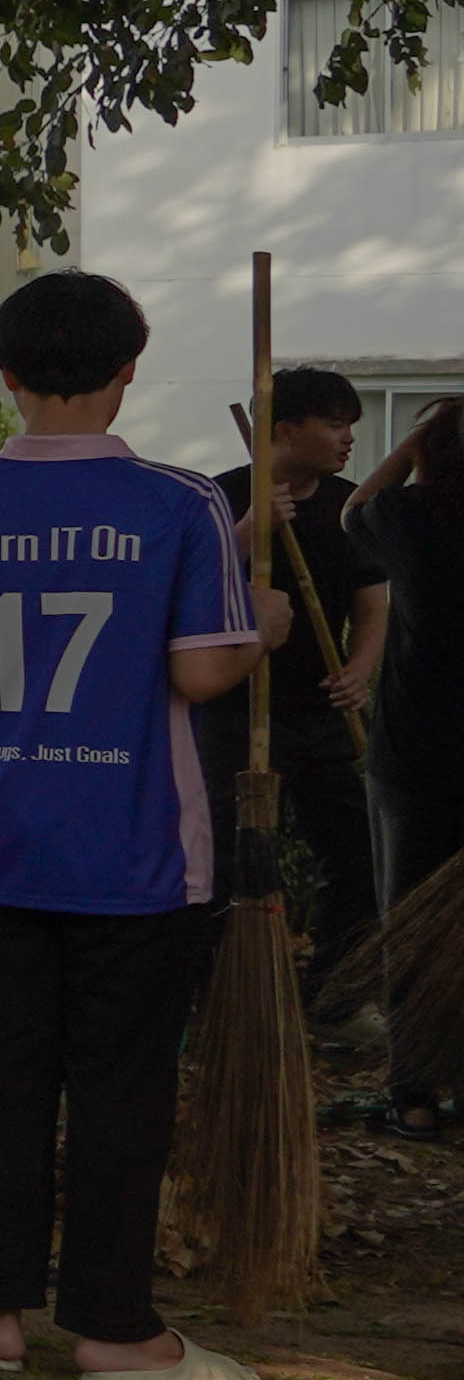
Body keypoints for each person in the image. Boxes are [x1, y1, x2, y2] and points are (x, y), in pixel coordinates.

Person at [0, 269, 279, 1380]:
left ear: (5, 374)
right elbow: (201, 673)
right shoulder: (181, 504)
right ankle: (116, 1333)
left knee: (2, 1083)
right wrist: (264, 628)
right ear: (128, 370)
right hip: (137, 853)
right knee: (122, 1088)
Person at [208, 366, 386, 1008]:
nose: (348, 440)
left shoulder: (351, 506)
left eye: (350, 427)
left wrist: (359, 669)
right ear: (284, 429)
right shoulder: (221, 498)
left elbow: (373, 603)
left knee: (358, 851)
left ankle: (333, 993)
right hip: (233, 709)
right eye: (335, 425)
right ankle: (224, 996)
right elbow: (184, 591)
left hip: (321, 712)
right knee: (226, 856)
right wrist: (249, 530)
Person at [331, 396, 460, 1133]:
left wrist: (414, 446)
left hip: (415, 753)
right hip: (423, 755)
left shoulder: (411, 519)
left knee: (409, 920)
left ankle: (414, 1095)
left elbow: (353, 510)